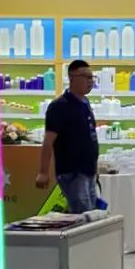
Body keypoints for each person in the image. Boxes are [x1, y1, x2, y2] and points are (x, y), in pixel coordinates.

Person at [37, 59, 99, 213]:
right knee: (83, 215)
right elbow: (48, 141)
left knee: (91, 215)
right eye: (86, 77)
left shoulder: (85, 103)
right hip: (73, 171)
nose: (90, 81)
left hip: (89, 170)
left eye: (92, 77)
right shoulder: (59, 106)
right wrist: (43, 172)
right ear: (72, 77)